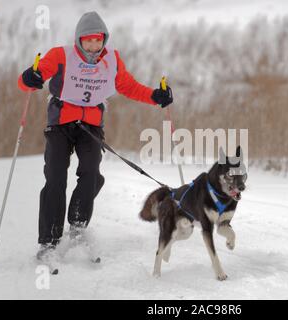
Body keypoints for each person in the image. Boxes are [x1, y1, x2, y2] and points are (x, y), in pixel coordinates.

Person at [18, 11, 173, 260]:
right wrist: (29, 78)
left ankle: (78, 227)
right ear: (79, 39)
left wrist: (156, 97)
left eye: (98, 40)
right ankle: (48, 242)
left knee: (91, 174)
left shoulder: (111, 60)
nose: (93, 45)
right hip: (60, 122)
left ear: (104, 40)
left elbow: (128, 86)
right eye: (88, 40)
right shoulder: (61, 55)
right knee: (55, 178)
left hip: (91, 125)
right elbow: (30, 80)